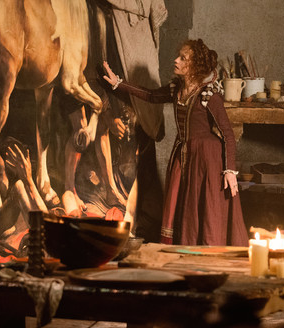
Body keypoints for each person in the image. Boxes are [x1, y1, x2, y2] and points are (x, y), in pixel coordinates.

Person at [103, 39, 248, 246]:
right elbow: (151, 95)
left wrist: (229, 170)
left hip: (207, 158)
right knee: (180, 202)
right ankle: (185, 247)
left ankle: (205, 248)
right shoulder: (176, 89)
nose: (176, 60)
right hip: (183, 154)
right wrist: (118, 83)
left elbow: (227, 134)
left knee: (204, 204)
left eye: (182, 58)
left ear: (193, 66)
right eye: (178, 56)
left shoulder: (209, 95)